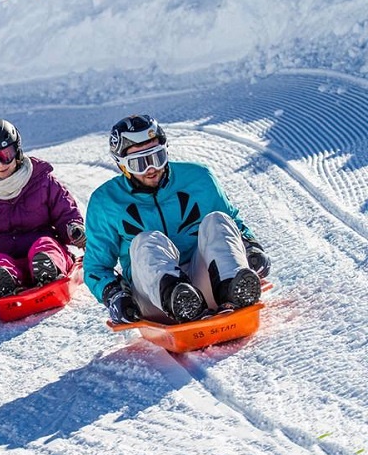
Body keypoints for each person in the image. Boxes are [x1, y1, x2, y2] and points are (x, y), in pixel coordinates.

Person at [84, 114, 271, 325]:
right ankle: (177, 298)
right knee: (146, 241)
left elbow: (233, 224)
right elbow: (96, 267)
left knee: (217, 220)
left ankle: (233, 291)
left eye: (157, 157)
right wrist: (114, 295)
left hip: (207, 284)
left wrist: (252, 248)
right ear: (122, 165)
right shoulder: (105, 202)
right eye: (139, 163)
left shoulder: (200, 178)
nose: (151, 169)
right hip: (153, 299)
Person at [0, 119, 86, 298]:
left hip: (44, 247)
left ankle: (48, 269)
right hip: (8, 253)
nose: (0, 164)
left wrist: (73, 229)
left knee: (44, 246)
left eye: (5, 155)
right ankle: (4, 281)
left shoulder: (42, 181)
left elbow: (65, 212)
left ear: (17, 150)